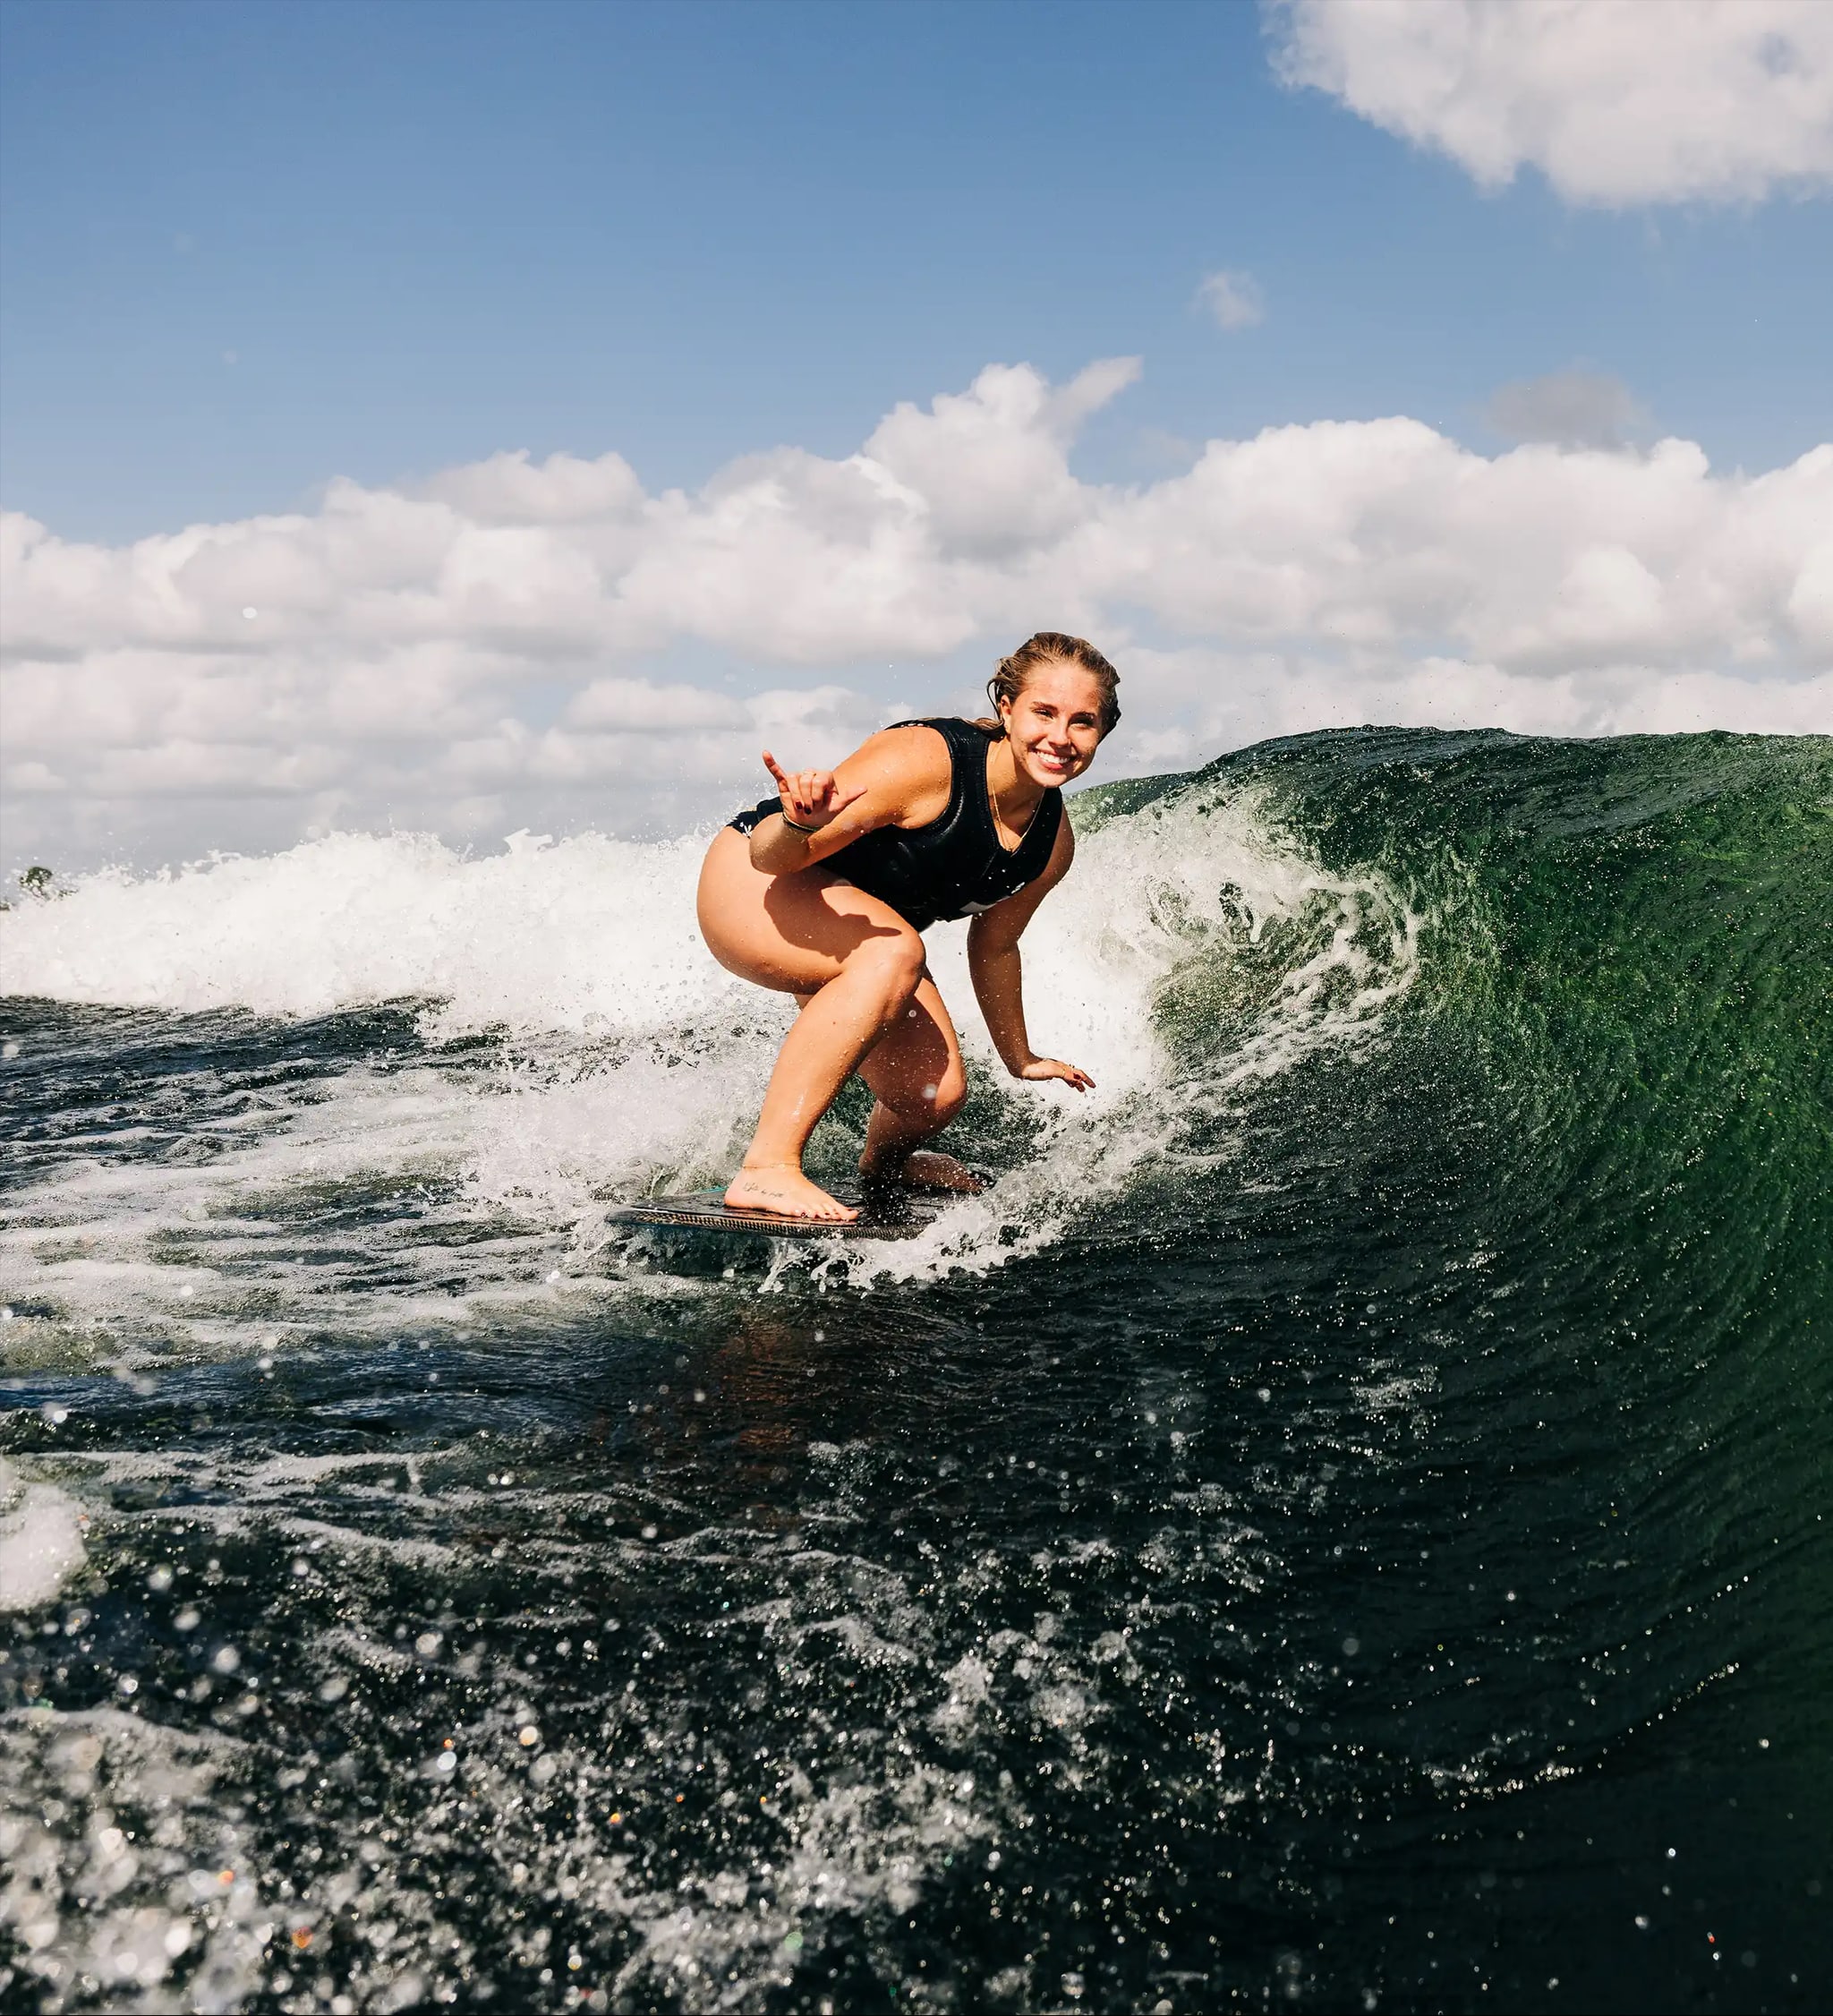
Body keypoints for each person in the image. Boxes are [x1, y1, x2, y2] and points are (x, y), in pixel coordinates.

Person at [695, 631, 1120, 1222]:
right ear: (1006, 708)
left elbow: (996, 944)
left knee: (933, 1096)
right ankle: (767, 1169)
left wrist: (1019, 1056)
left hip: (858, 927)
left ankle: (885, 1166)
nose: (1060, 737)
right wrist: (798, 822)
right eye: (1043, 713)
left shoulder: (1050, 847)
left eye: (1083, 722)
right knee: (897, 953)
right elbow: (772, 857)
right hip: (754, 883)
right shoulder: (925, 762)